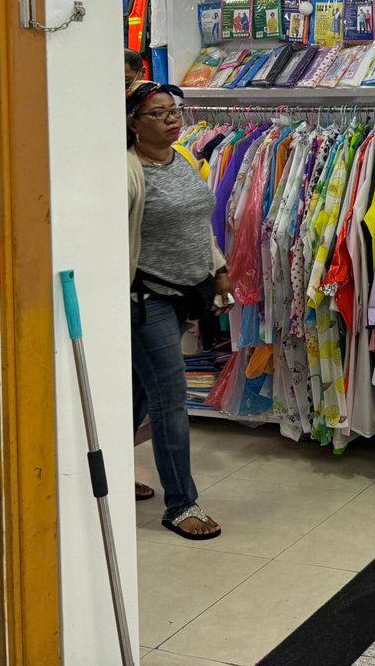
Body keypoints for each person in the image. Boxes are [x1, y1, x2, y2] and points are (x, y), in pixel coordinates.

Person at [126, 80, 230, 540]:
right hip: (146, 299)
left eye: (174, 109)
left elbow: (196, 222)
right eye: (158, 112)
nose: (172, 118)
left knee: (136, 394)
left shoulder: (183, 157)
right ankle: (180, 504)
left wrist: (218, 268)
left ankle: (107, 468)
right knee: (170, 397)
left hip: (188, 292)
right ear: (133, 122)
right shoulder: (126, 171)